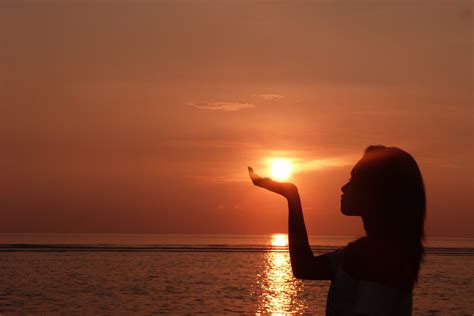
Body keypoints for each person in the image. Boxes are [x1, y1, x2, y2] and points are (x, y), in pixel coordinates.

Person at [249, 145, 426, 315]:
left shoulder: (384, 260)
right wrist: (291, 196)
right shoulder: (358, 254)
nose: (344, 187)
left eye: (353, 180)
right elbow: (304, 267)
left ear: (376, 191)